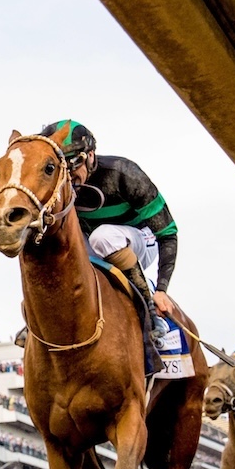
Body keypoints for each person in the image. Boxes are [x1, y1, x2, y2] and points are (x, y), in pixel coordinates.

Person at [45, 120, 176, 339]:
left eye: (74, 164)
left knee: (103, 236)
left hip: (141, 239)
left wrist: (161, 289)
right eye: (60, 167)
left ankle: (149, 314)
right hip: (94, 245)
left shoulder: (124, 173)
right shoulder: (57, 186)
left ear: (91, 155)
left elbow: (168, 234)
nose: (68, 176)